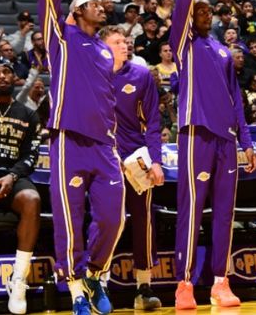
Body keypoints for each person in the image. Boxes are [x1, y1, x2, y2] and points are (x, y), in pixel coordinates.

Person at [28, 0, 125, 314]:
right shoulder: (62, 41)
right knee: (70, 220)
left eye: (103, 4)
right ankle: (75, 289)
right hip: (69, 141)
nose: (103, 7)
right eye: (94, 3)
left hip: (105, 145)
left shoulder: (105, 50)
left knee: (113, 218)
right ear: (77, 11)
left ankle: (95, 273)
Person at [168, 0, 256, 310]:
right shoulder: (184, 43)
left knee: (224, 213)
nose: (202, 13)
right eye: (197, 10)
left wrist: (247, 141)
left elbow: (237, 98)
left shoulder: (221, 50)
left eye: (207, 11)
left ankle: (221, 282)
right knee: (191, 209)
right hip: (196, 133)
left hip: (227, 139)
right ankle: (184, 283)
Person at [100, 26, 164, 309]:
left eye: (125, 42)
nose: (124, 46)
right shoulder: (93, 75)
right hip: (103, 159)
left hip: (136, 159)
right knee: (106, 221)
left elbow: (153, 122)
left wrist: (156, 161)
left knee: (143, 219)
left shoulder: (141, 75)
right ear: (104, 47)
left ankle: (144, 287)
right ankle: (99, 283)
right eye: (117, 42)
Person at [0, 57, 41, 315]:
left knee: (32, 200)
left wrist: (12, 176)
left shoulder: (28, 114)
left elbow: (31, 156)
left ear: (14, 78)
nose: (2, 76)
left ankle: (18, 280)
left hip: (12, 175)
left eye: (7, 72)